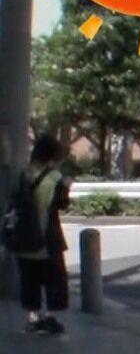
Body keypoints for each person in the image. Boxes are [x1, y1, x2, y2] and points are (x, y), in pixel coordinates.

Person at [12, 135, 72, 334]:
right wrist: (67, 186)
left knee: (29, 280)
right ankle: (50, 317)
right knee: (53, 279)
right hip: (46, 238)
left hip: (23, 238)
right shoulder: (55, 177)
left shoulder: (25, 173)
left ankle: (33, 317)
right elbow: (61, 204)